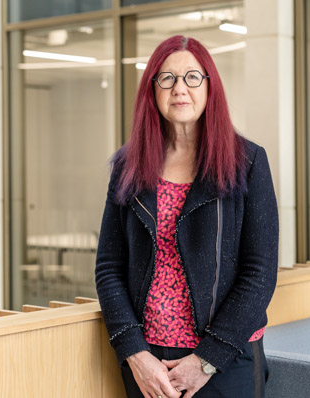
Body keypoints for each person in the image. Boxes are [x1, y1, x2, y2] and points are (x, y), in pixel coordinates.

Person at [95, 35, 279, 398]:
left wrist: (207, 359)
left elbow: (260, 272)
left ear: (210, 87)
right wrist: (134, 351)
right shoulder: (128, 166)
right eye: (167, 78)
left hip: (226, 360)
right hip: (149, 365)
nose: (180, 88)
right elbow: (108, 266)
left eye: (192, 77)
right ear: (153, 90)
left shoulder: (247, 162)